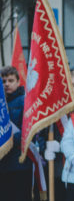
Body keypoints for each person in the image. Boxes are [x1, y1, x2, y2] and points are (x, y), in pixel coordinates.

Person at [0, 66, 33, 201]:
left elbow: (28, 130)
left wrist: (7, 139)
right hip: (3, 163)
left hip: (19, 161)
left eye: (11, 80)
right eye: (3, 81)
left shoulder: (25, 101)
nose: (7, 84)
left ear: (18, 81)